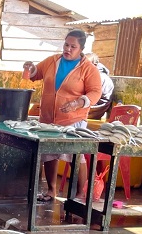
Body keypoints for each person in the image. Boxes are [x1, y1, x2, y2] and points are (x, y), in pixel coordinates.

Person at [22, 29, 102, 202]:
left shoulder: (88, 69)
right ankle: (51, 191)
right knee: (49, 152)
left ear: (81, 49)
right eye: (66, 45)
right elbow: (36, 74)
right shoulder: (53, 61)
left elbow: (95, 92)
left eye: (73, 46)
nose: (68, 49)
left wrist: (78, 103)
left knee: (75, 154)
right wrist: (30, 67)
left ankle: (80, 193)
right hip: (48, 118)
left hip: (73, 119)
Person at [86, 52, 115, 121]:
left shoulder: (99, 78)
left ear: (94, 65)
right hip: (89, 108)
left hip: (94, 110)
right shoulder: (90, 74)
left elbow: (91, 99)